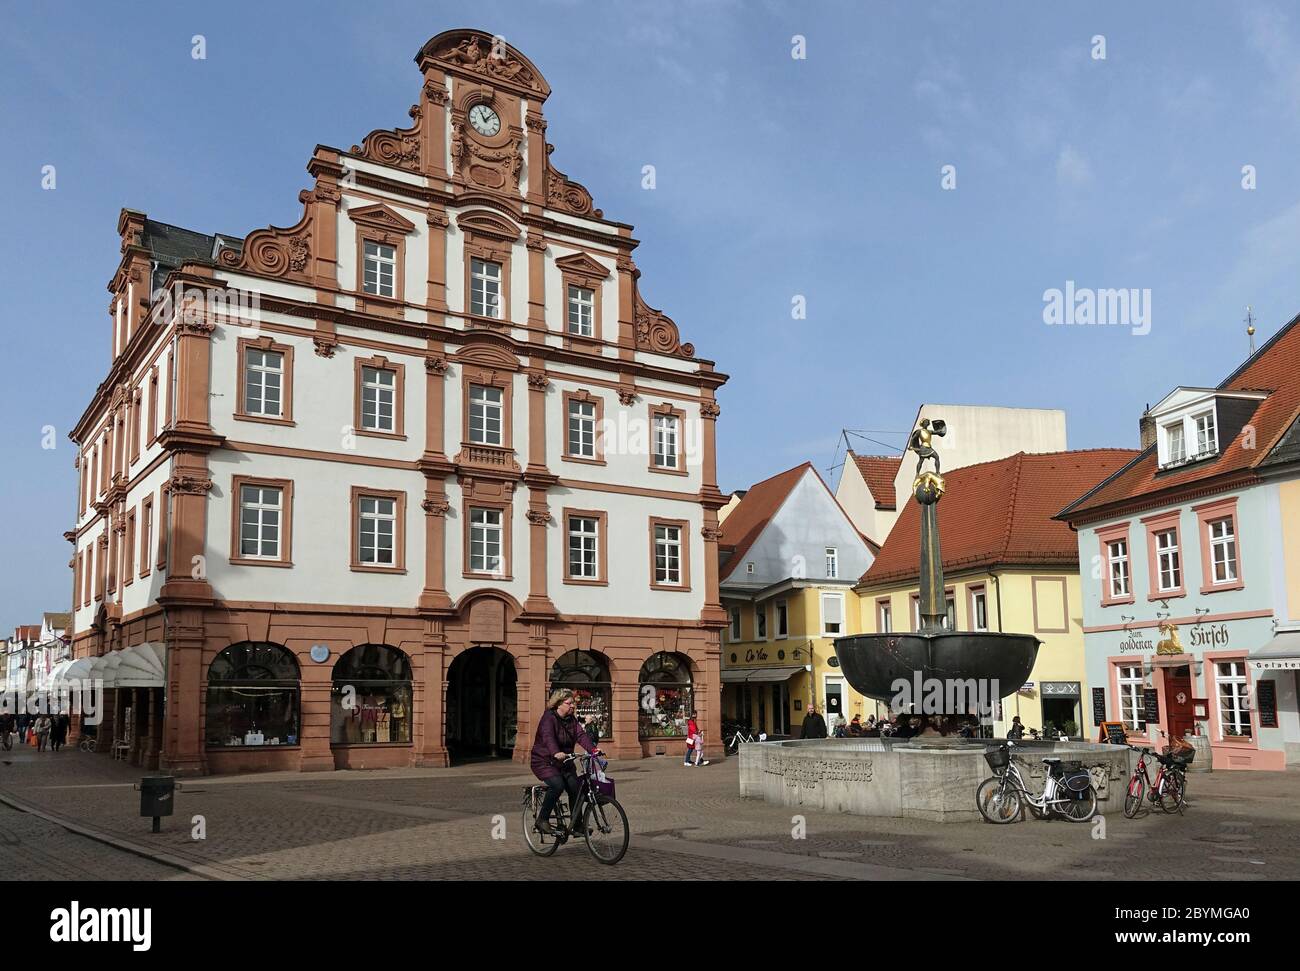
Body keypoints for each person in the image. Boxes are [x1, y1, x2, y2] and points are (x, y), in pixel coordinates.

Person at [530, 689, 601, 836]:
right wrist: (556, 752)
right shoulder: (548, 718)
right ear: (558, 704)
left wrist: (593, 750)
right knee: (557, 785)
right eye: (569, 703)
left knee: (576, 788)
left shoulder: (571, 720)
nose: (572, 706)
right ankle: (542, 820)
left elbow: (581, 735)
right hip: (544, 761)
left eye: (573, 703)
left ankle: (577, 825)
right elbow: (548, 737)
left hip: (565, 761)